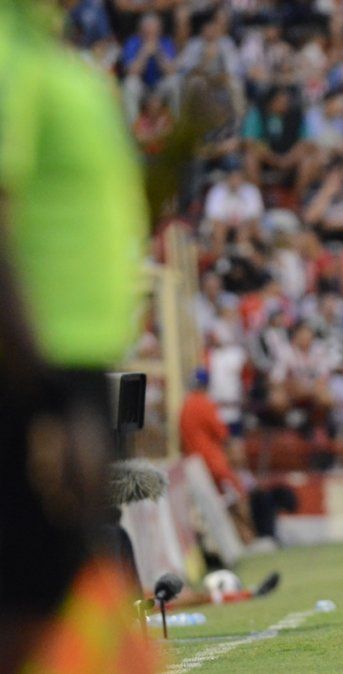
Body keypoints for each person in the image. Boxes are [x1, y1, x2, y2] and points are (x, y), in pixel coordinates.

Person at [0, 1, 157, 670]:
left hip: (69, 361)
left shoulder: (41, 49)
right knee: (33, 610)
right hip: (36, 366)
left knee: (48, 608)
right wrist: (48, 399)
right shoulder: (10, 55)